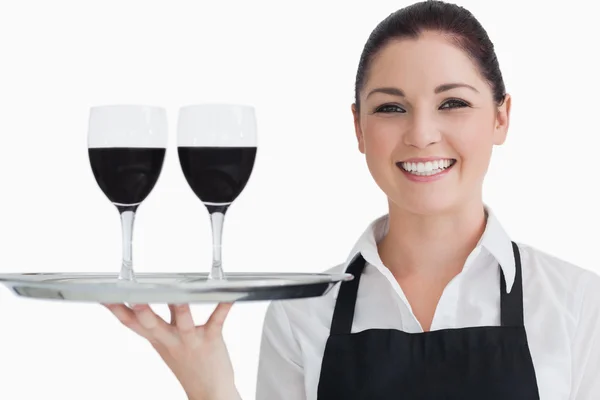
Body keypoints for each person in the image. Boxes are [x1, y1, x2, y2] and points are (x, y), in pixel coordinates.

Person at [103, 1, 600, 399]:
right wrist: (209, 387)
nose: (422, 134)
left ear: (500, 118)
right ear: (359, 128)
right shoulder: (302, 316)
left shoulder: (578, 306)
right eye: (391, 108)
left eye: (453, 103)